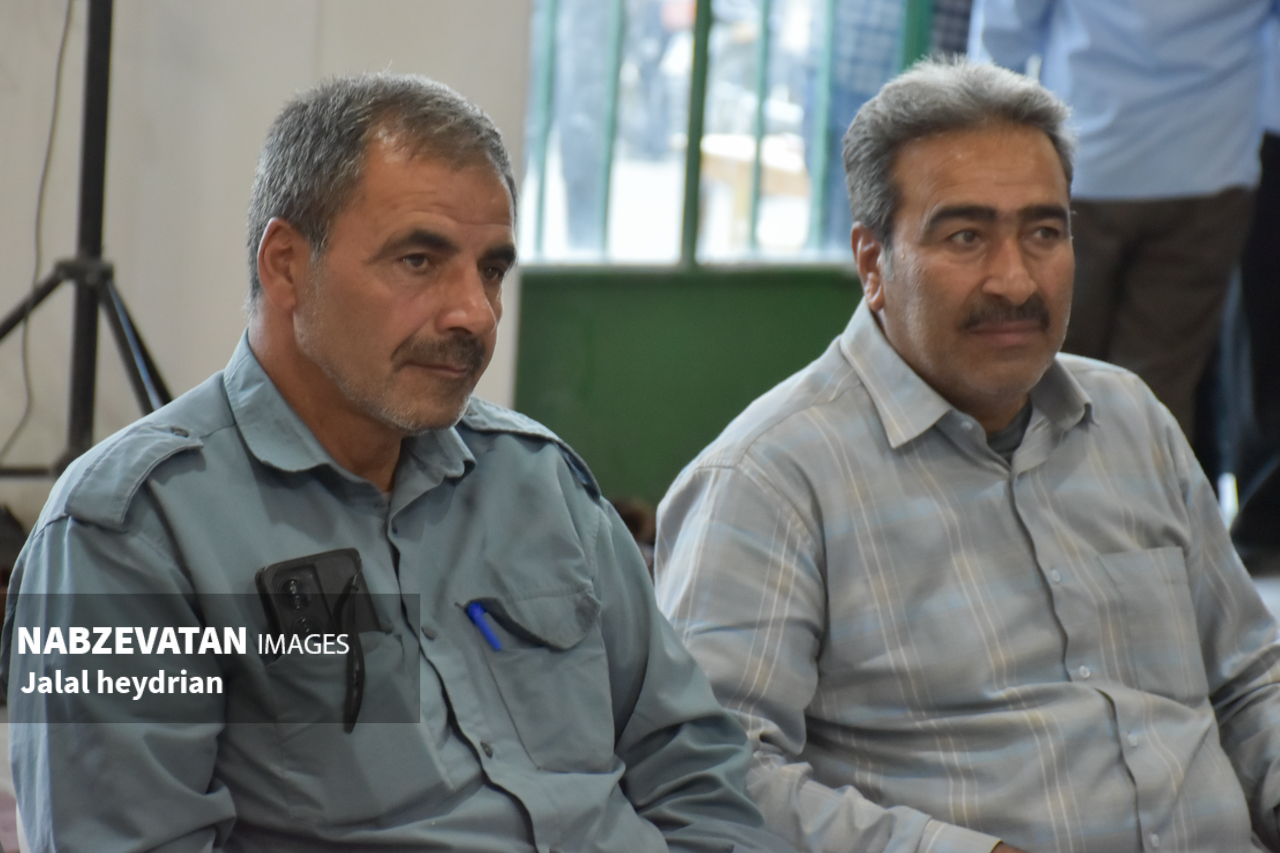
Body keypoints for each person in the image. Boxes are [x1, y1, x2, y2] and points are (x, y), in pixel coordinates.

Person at [1, 73, 793, 853]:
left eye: (492, 270)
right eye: (419, 260)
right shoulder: (125, 534)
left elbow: (695, 773)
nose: (475, 313)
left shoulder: (539, 482)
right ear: (286, 264)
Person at [655, 58, 1280, 853]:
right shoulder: (769, 481)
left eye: (1044, 233)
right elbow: (713, 780)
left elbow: (1249, 679)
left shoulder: (1130, 419)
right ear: (873, 264)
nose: (1014, 280)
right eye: (966, 236)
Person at [969, 0, 1278, 451]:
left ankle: (1030, 494)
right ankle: (1139, 495)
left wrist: (986, 144)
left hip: (1083, 161)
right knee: (1157, 392)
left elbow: (1007, 27)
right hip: (1211, 164)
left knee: (1044, 374)